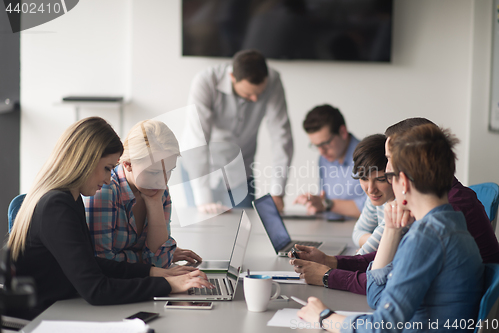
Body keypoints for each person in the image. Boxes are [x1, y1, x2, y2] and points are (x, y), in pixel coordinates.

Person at [8, 117, 213, 320]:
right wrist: (168, 285)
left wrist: (155, 272)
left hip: (63, 307)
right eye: (107, 168)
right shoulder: (56, 207)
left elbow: (93, 264)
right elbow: (97, 290)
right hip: (43, 317)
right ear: (85, 160)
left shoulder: (70, 199)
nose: (109, 178)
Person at [297, 124, 484, 332]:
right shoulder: (450, 222)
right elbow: (377, 297)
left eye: (388, 173)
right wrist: (391, 232)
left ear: (402, 182)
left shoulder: (426, 239)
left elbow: (382, 326)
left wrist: (325, 317)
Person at [182, 49, 293, 213]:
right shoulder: (206, 81)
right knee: (203, 227)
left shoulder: (273, 80)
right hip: (201, 169)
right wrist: (204, 200)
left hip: (241, 170)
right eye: (249, 94)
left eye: (259, 94)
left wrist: (278, 191)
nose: (255, 99)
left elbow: (281, 137)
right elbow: (197, 138)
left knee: (244, 227)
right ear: (232, 77)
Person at [85, 120, 202, 268]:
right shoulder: (104, 190)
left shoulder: (160, 191)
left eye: (169, 171)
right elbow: (103, 262)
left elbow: (160, 262)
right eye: (154, 172)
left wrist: (154, 203)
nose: (163, 182)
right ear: (127, 164)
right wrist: (145, 258)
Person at [294, 105, 366, 218]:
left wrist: (326, 204)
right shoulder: (324, 159)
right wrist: (314, 203)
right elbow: (324, 198)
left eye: (325, 143)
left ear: (342, 132)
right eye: (316, 145)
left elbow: (375, 207)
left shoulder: (369, 157)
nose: (321, 151)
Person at [350, 134, 394, 255]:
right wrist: (374, 244)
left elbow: (359, 258)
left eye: (380, 180)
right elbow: (358, 232)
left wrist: (370, 248)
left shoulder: (398, 207)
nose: (370, 189)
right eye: (364, 178)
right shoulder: (376, 198)